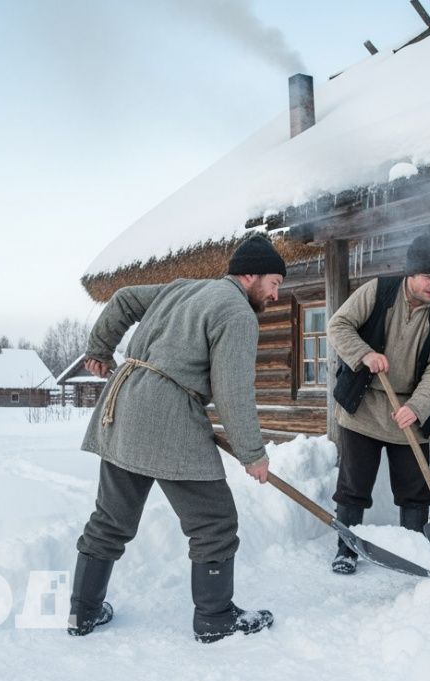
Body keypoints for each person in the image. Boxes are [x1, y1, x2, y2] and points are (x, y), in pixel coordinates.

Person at [68, 234, 284, 643]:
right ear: (251, 274)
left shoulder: (185, 287)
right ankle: (215, 617)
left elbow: (124, 299)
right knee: (215, 523)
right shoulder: (238, 313)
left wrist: (100, 348)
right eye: (274, 283)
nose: (275, 294)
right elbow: (233, 389)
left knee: (111, 519)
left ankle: (84, 612)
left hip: (122, 404)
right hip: (166, 415)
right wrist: (252, 453)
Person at [326, 232, 430, 574]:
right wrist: (364, 354)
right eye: (428, 276)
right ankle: (347, 549)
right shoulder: (378, 291)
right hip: (364, 405)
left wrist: (416, 406)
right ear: (411, 274)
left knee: (415, 491)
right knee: (353, 487)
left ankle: (413, 550)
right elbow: (338, 325)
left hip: (408, 412)